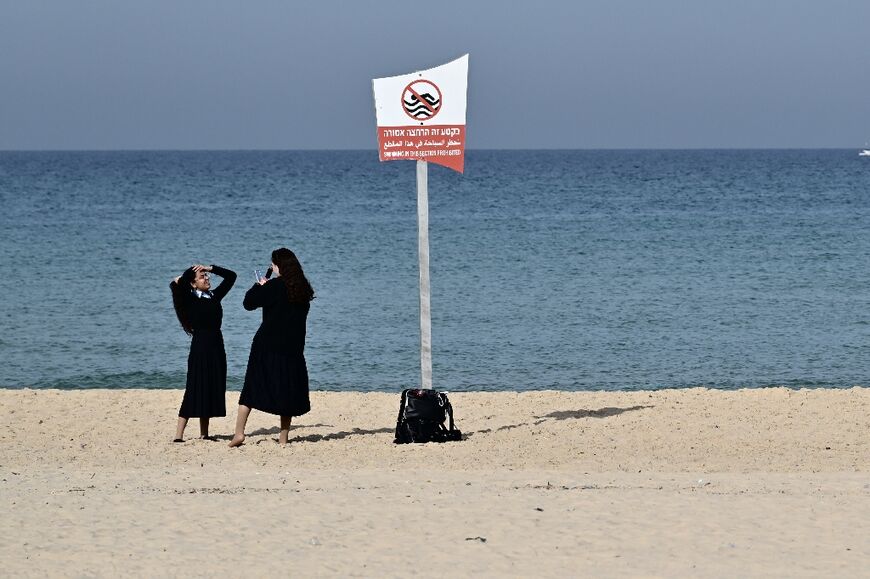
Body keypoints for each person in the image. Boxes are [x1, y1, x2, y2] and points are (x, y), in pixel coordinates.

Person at [229, 248, 315, 447]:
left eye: (273, 264)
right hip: (292, 347)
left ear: (278, 266)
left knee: (251, 388)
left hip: (266, 344)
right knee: (287, 390)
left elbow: (248, 303)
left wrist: (259, 286)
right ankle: (283, 438)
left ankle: (239, 433)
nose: (272, 267)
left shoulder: (274, 286)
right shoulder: (303, 288)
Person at [170, 264, 237, 442]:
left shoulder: (214, 296)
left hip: (217, 345)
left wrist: (210, 268)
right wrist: (185, 276)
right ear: (192, 284)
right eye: (202, 277)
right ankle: (178, 435)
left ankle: (204, 433)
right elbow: (177, 283)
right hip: (200, 346)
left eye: (207, 276)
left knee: (211, 386)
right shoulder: (189, 298)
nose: (206, 279)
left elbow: (231, 276)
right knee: (194, 387)